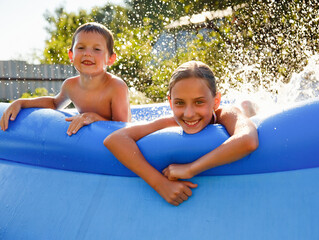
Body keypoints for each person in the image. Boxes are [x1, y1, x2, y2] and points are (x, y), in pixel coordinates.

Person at [104, 61, 259, 206]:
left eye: (199, 102)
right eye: (179, 103)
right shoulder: (169, 122)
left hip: (245, 111)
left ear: (216, 101)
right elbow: (115, 139)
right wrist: (160, 183)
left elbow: (248, 140)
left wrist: (190, 169)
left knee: (246, 107)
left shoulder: (225, 114)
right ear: (170, 102)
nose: (189, 113)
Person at [0, 22, 131, 135]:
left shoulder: (116, 87)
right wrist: (21, 103)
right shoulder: (70, 85)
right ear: (71, 55)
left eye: (97, 49)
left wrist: (95, 118)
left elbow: (124, 126)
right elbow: (54, 104)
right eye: (81, 48)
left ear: (111, 59)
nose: (87, 53)